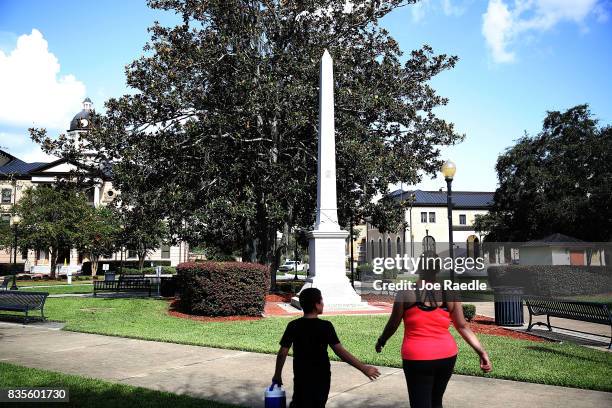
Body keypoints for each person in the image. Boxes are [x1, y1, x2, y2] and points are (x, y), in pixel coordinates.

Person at [375, 255, 492, 408]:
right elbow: (463, 326)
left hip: (417, 357)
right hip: (446, 356)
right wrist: (482, 353)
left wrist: (381, 341)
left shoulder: (405, 293)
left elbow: (393, 324)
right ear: (437, 269)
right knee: (436, 402)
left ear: (419, 268)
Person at [272, 288, 381, 407]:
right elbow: (340, 351)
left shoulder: (293, 325)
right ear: (316, 305)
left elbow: (283, 352)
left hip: (301, 375)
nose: (323, 304)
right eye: (321, 301)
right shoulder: (326, 326)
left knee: (300, 402)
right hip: (321, 376)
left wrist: (277, 374)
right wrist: (363, 368)